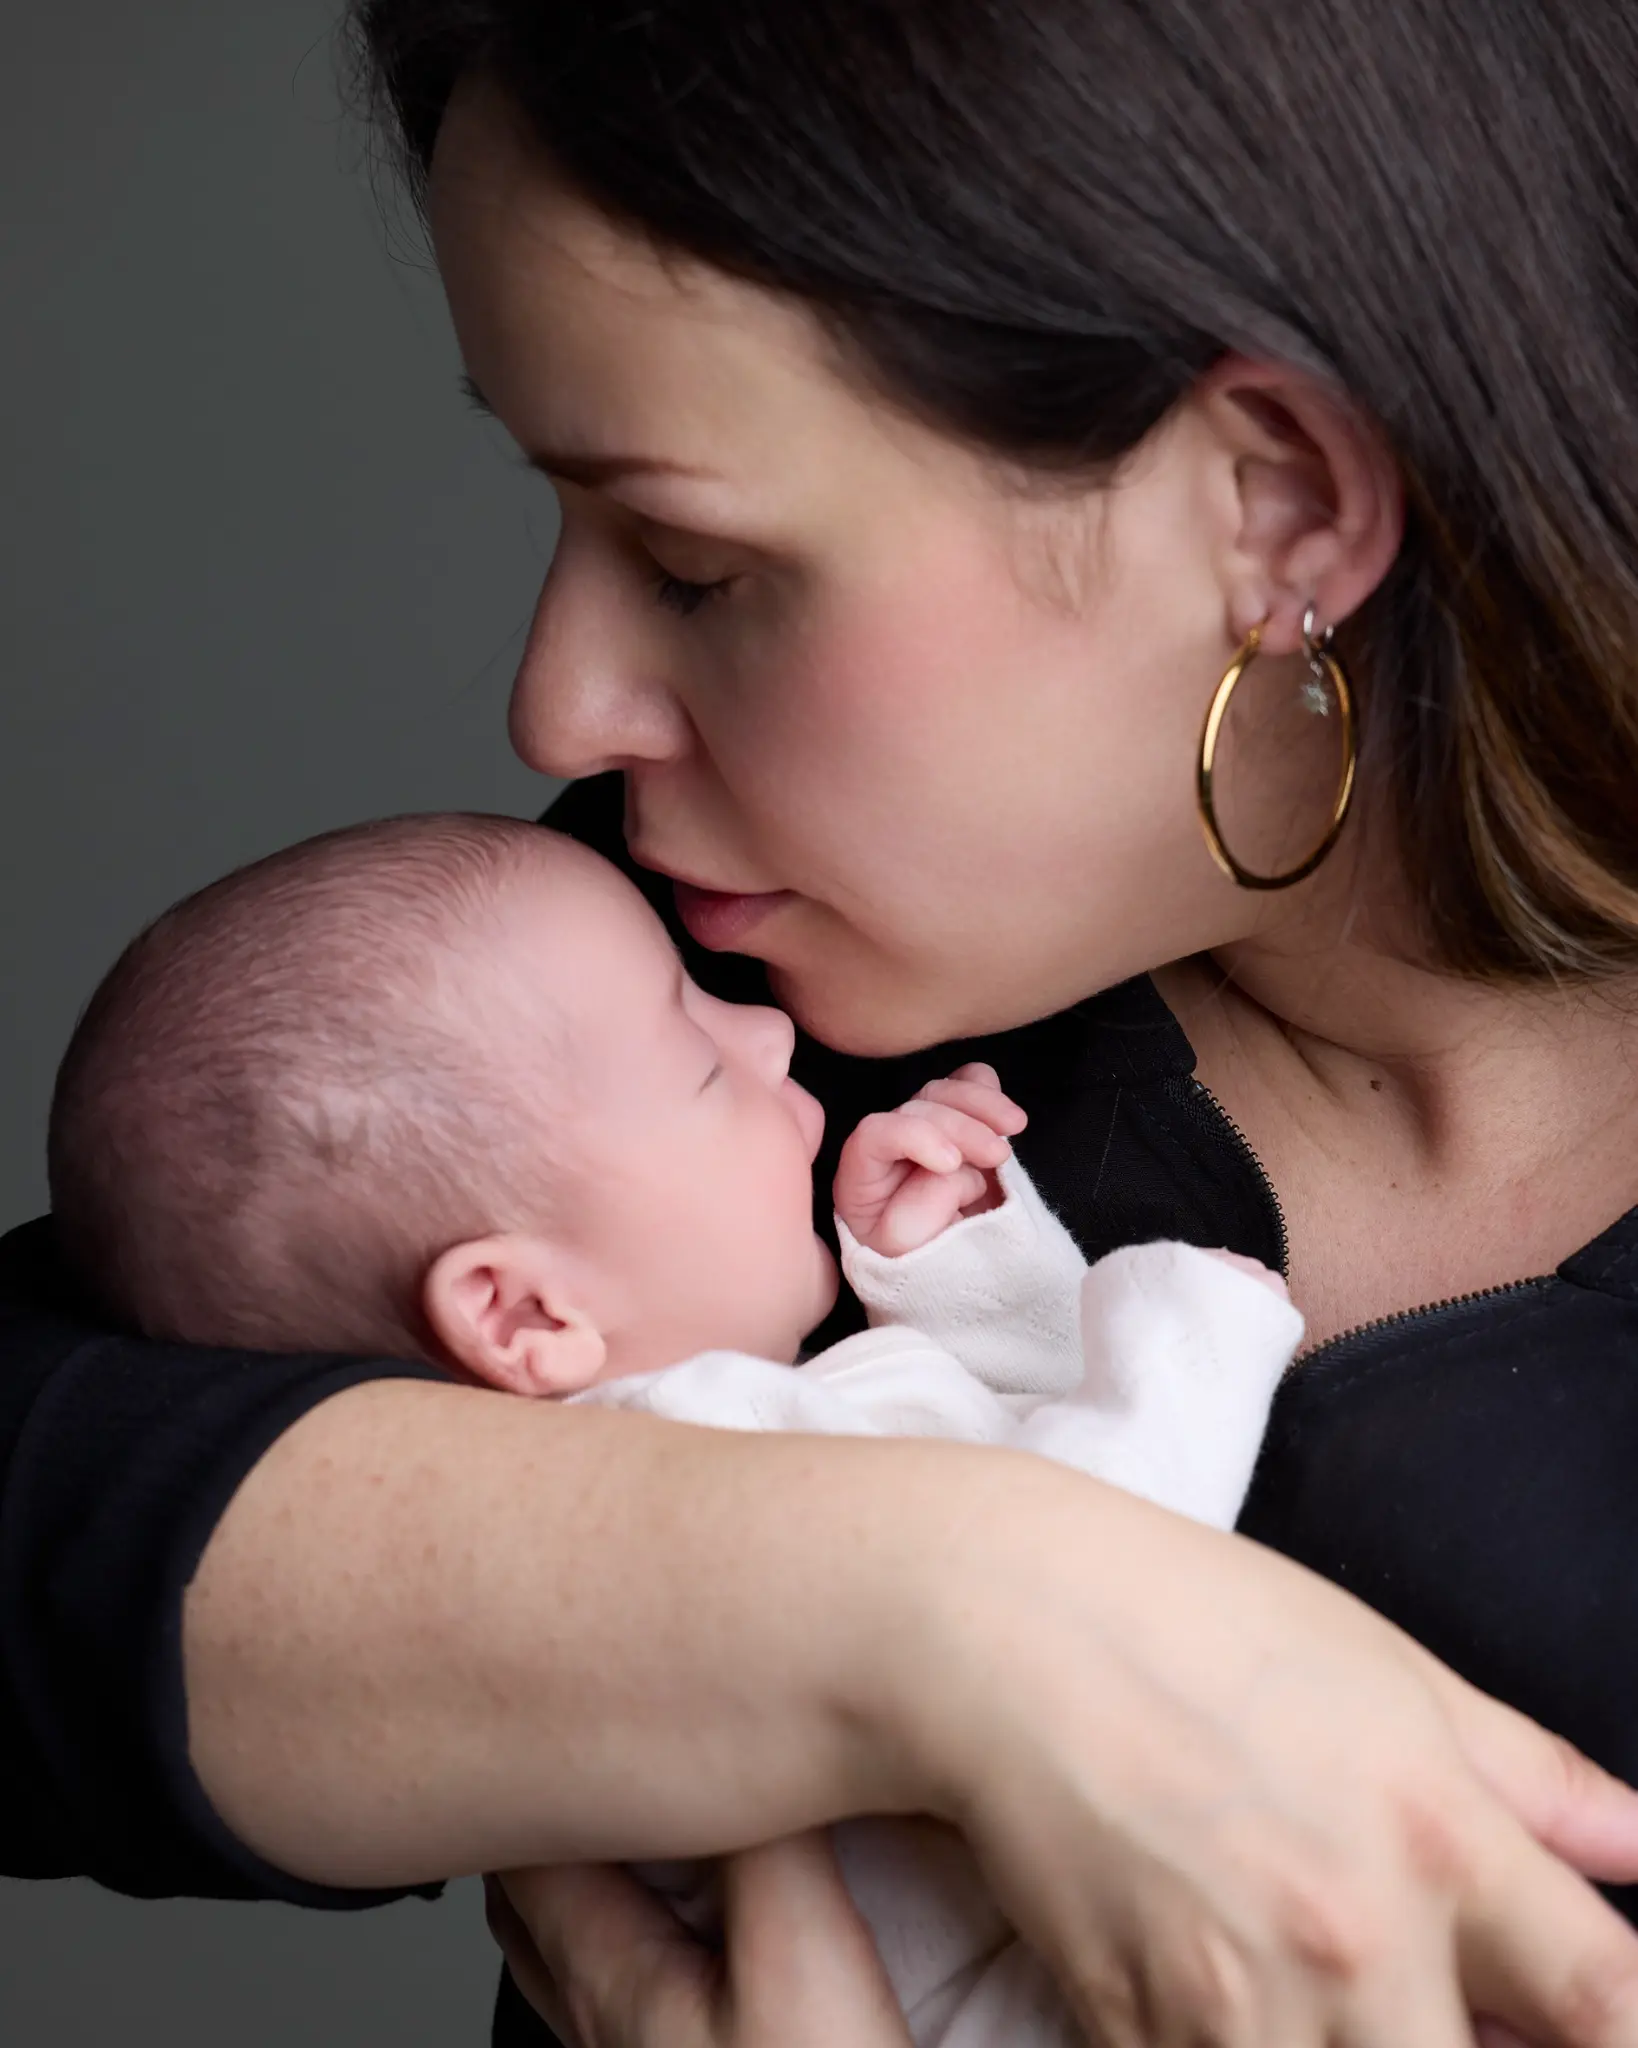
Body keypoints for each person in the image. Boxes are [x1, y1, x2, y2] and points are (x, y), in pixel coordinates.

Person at [5, 0, 1638, 2043]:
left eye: (693, 563)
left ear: (1277, 511)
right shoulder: (696, 992)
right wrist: (937, 1609)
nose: (555, 703)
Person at [47, 807, 1304, 2046]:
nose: (765, 1027)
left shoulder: (718, 1446)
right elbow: (1099, 1594)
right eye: (700, 1061)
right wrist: (1190, 1339)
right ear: (527, 1312)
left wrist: (953, 1264)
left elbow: (1006, 1457)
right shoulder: (681, 1486)